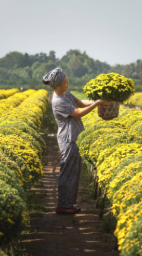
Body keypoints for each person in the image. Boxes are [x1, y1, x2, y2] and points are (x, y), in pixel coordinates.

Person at [43, 68, 110, 214]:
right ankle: (63, 206)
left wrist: (98, 101)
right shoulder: (58, 101)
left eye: (67, 81)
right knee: (68, 172)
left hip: (74, 137)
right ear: (57, 85)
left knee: (73, 172)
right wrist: (97, 103)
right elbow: (78, 113)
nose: (67, 83)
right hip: (68, 138)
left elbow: (80, 103)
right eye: (65, 82)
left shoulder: (65, 94)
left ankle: (68, 205)